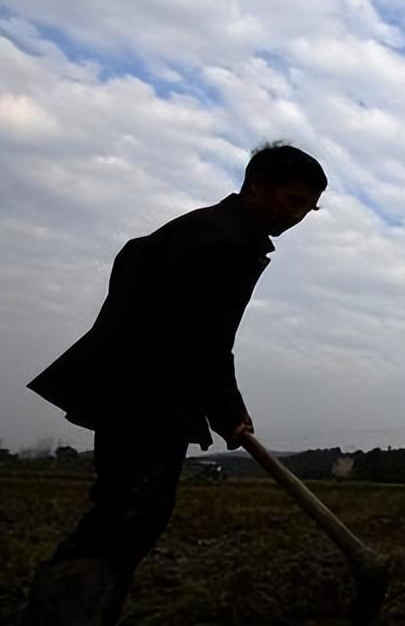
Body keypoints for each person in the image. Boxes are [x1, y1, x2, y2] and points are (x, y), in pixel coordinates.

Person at [23, 142, 327, 625]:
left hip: (140, 392)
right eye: (291, 201)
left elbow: (146, 281)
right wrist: (229, 411)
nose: (297, 217)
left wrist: (221, 406)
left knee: (126, 516)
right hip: (145, 398)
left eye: (308, 208)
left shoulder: (205, 231)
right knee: (126, 518)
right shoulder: (223, 242)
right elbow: (205, 338)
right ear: (256, 187)